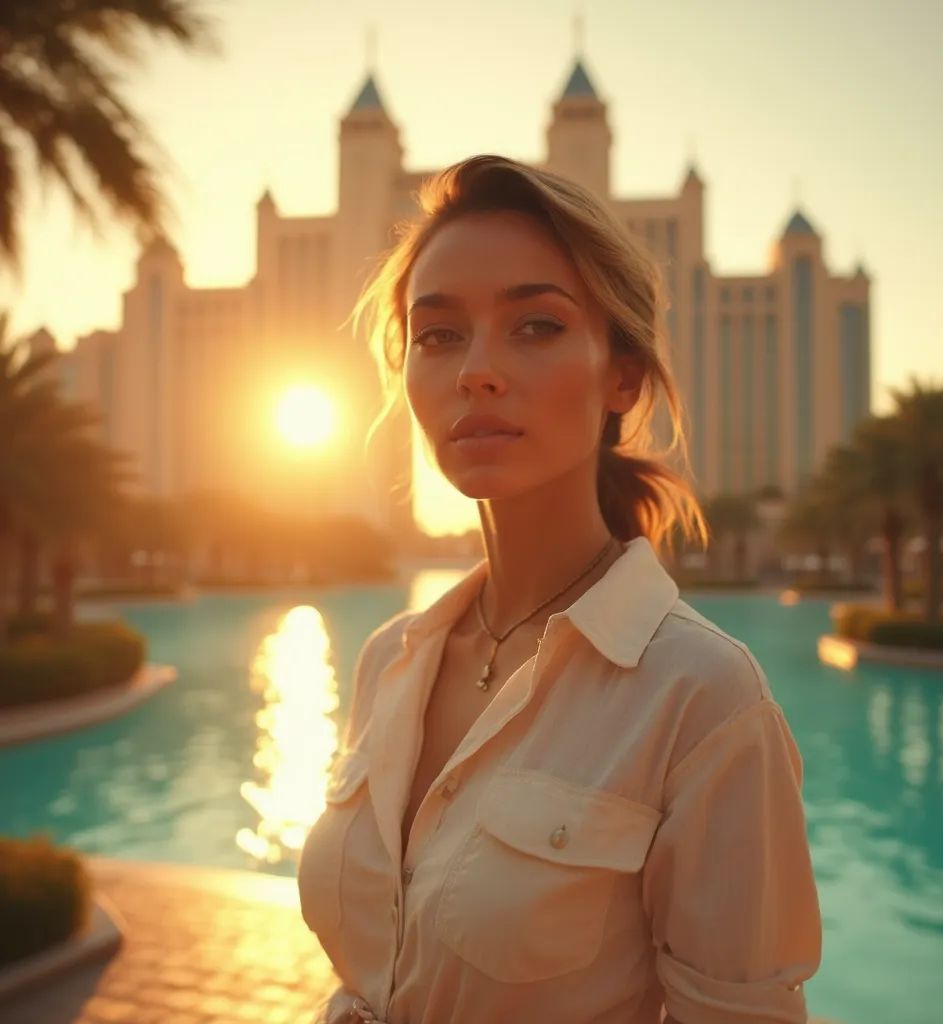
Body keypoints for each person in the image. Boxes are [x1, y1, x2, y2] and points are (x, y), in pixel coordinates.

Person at [297, 154, 822, 1024]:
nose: (477, 370)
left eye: (535, 326)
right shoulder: (391, 657)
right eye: (439, 335)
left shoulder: (702, 699)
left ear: (622, 374)